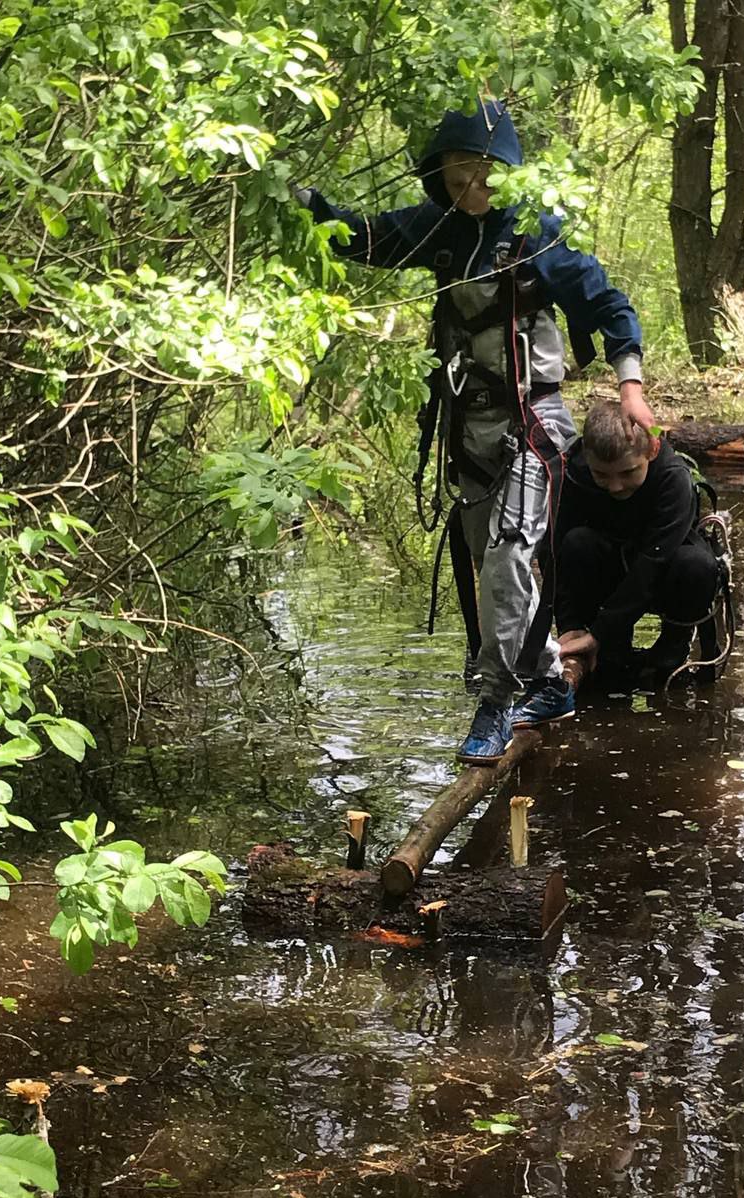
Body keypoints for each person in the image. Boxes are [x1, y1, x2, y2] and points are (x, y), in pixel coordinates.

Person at [296, 98, 653, 762]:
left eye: (484, 175)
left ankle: (494, 703)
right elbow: (362, 235)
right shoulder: (437, 229)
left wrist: (630, 382)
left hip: (534, 423)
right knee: (484, 570)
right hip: (467, 428)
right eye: (459, 175)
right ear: (442, 174)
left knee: (510, 558)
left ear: (509, 172)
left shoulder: (538, 236)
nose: (472, 189)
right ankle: (549, 677)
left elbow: (606, 302)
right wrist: (305, 200)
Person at [519, 399, 718, 708]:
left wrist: (599, 632)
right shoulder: (572, 473)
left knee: (698, 566)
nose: (615, 486)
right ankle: (609, 655)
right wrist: (571, 626)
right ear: (588, 459)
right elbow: (554, 552)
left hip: (662, 572)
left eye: (627, 473)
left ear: (650, 452)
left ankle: (671, 650)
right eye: (602, 475)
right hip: (605, 569)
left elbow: (653, 562)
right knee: (576, 543)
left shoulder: (673, 478)